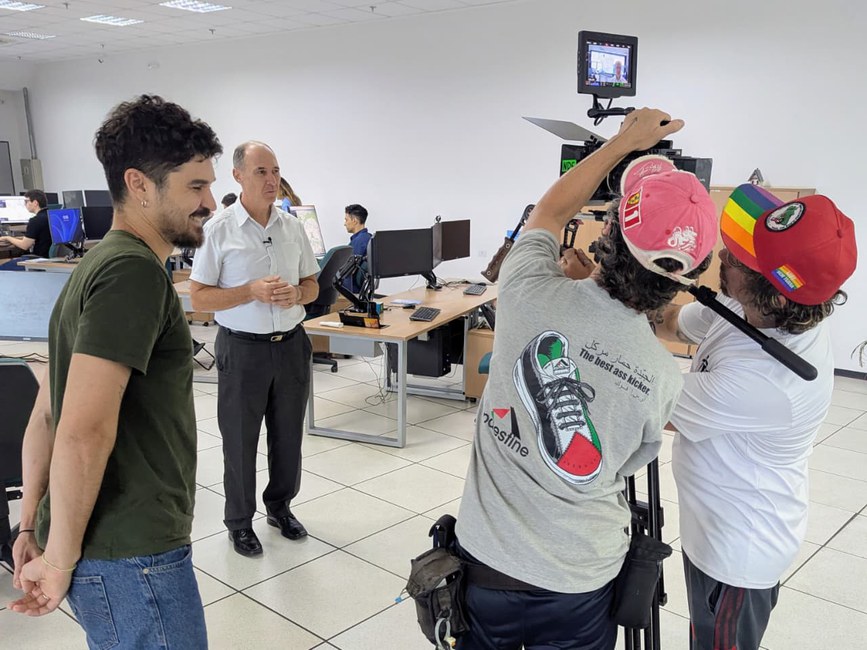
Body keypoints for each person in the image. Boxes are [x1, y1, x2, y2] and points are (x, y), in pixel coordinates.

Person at [454, 110, 718, 650]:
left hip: (487, 564)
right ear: (688, 277)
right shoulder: (663, 377)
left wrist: (625, 143)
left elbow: (550, 210)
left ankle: (550, 378)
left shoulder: (526, 291)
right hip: (582, 577)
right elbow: (625, 466)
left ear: (610, 233)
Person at [8, 95, 221, 649]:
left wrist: (32, 525)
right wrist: (55, 559)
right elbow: (81, 430)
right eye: (195, 186)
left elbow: (47, 412)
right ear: (141, 184)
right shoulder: (132, 274)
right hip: (133, 550)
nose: (211, 201)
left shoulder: (98, 263)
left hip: (107, 545)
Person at [652, 183, 858, 649]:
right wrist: (623, 296)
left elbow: (650, 402)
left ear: (778, 295)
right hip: (711, 527)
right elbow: (670, 322)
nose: (725, 253)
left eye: (741, 258)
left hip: (737, 553)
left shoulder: (771, 382)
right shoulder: (749, 307)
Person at [189, 141, 319, 558]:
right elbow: (201, 298)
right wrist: (250, 291)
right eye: (261, 171)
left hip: (291, 346)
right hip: (243, 351)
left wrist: (297, 293)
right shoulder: (218, 229)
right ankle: (239, 522)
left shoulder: (291, 226)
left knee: (288, 438)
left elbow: (313, 286)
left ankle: (280, 507)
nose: (272, 179)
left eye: (276, 170)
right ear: (239, 176)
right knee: (240, 441)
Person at [0, 189, 51, 258]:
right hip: (50, 258)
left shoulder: (35, 220)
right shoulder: (51, 216)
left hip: (38, 260)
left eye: (26, 201)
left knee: (2, 263)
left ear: (35, 203)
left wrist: (7, 238)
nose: (25, 204)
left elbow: (24, 246)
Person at [342, 203, 371, 293]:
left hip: (351, 291)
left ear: (354, 221)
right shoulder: (368, 237)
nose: (344, 224)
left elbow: (346, 270)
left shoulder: (359, 242)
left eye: (346, 220)